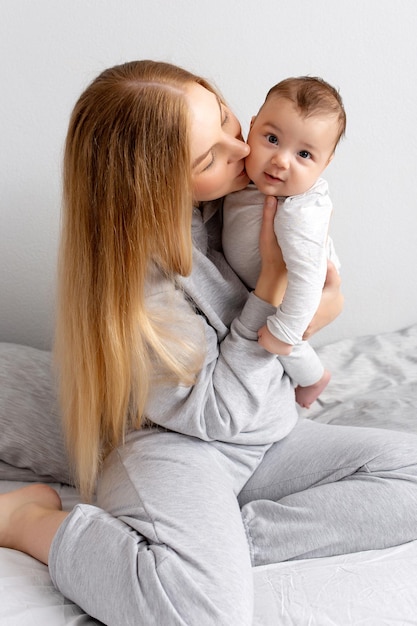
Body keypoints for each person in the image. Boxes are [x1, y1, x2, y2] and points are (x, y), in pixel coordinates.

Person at [0, 60, 417, 626]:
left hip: (264, 435)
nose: (242, 151)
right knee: (200, 613)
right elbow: (214, 414)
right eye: (210, 156)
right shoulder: (138, 289)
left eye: (227, 120)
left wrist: (321, 303)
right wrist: (271, 289)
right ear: (152, 186)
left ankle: (217, 541)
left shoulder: (233, 200)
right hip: (179, 443)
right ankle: (32, 524)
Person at [223, 76, 346, 408]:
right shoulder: (244, 178)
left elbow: (307, 279)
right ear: (251, 127)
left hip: (292, 293)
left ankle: (314, 378)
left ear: (325, 164)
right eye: (272, 138)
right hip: (260, 285)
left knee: (281, 341)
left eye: (304, 153)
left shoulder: (298, 213)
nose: (281, 160)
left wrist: (285, 333)